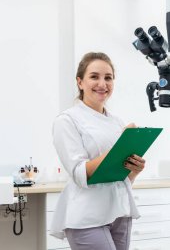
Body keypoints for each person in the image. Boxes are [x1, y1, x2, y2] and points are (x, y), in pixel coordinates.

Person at [50, 52, 145, 250]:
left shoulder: (116, 122)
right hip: (86, 216)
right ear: (80, 82)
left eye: (108, 78)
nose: (102, 84)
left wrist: (133, 170)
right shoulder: (67, 120)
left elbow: (117, 177)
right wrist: (120, 147)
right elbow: (79, 172)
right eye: (94, 76)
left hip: (119, 211)